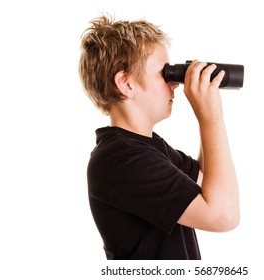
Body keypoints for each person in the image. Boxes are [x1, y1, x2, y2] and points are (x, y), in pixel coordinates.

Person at [78, 14, 239, 260]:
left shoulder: (144, 147)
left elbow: (208, 183)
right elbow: (223, 215)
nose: (174, 84)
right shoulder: (124, 160)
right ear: (126, 84)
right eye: (164, 73)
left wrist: (205, 113)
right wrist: (210, 117)